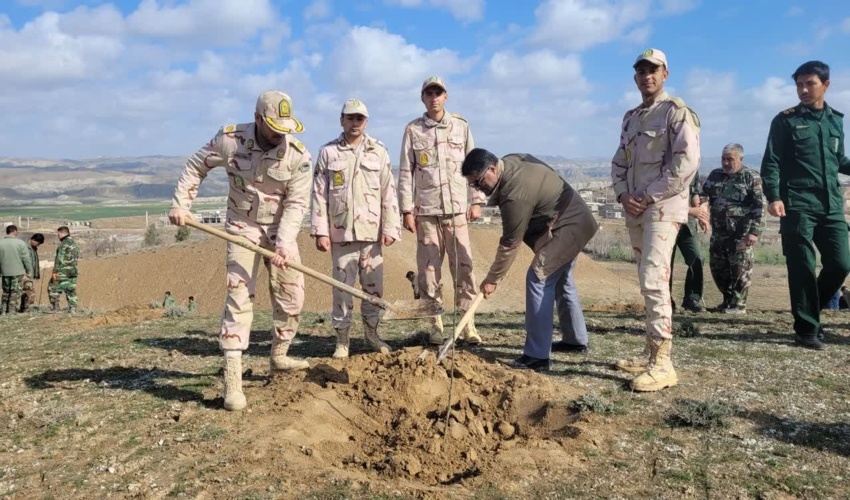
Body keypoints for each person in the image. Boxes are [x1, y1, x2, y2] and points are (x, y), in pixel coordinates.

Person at [169, 90, 313, 411]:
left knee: (293, 296)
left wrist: (286, 241)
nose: (281, 134)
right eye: (275, 127)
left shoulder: (299, 155)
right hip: (241, 225)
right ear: (259, 119)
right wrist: (182, 204)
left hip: (280, 228)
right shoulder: (230, 140)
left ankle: (279, 356)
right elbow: (196, 166)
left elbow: (298, 202)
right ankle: (233, 378)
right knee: (238, 295)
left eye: (286, 128)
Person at [610, 48, 701, 391]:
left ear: (665, 73)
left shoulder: (676, 113)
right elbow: (619, 162)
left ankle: (663, 363)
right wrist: (622, 194)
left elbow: (686, 163)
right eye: (641, 70)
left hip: (662, 209)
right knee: (647, 281)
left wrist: (646, 195)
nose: (646, 75)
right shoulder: (631, 117)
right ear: (635, 77)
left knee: (653, 279)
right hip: (636, 209)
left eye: (653, 70)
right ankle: (652, 355)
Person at [463, 149, 598, 371]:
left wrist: (492, 279)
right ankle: (575, 340)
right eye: (474, 186)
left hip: (570, 225)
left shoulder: (514, 193)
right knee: (562, 279)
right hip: (574, 220)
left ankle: (537, 356)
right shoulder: (511, 161)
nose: (479, 189)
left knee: (538, 278)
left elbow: (510, 244)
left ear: (493, 169)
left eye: (479, 182)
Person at [760, 60, 850, 350]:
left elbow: (839, 160)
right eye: (799, 84)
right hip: (797, 204)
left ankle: (809, 311)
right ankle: (806, 329)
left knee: (840, 264)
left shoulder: (836, 120)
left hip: (831, 204)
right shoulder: (785, 120)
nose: (802, 89)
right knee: (802, 266)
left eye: (809, 83)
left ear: (825, 85)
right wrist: (773, 196)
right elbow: (771, 162)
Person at [310, 99, 402, 358]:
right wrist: (320, 231)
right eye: (350, 118)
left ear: (366, 122)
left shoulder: (379, 151)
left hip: (372, 235)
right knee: (342, 289)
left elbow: (388, 192)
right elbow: (319, 195)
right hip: (342, 234)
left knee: (373, 290)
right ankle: (342, 340)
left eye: (359, 118)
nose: (354, 123)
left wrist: (391, 227)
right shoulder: (328, 153)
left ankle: (372, 335)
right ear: (342, 120)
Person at [398, 76, 484, 345]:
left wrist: (477, 199)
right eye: (429, 93)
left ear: (446, 96)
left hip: (457, 210)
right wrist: (406, 210)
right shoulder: (413, 130)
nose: (434, 97)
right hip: (426, 212)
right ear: (423, 98)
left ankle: (467, 323)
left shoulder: (460, 125)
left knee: (464, 268)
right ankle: (435, 324)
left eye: (438, 92)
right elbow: (405, 172)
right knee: (429, 271)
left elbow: (476, 163)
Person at [701, 143, 765, 314]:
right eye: (723, 159)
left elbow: (759, 206)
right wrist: (701, 207)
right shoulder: (715, 175)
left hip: (741, 233)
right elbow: (703, 194)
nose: (726, 163)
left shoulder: (750, 177)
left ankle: (739, 305)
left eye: (730, 159)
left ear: (740, 159)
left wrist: (754, 232)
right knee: (718, 269)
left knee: (739, 270)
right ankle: (728, 301)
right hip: (719, 233)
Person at [669, 173, 707, 313]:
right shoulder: (661, 162)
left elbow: (694, 193)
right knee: (665, 264)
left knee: (697, 257)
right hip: (666, 222)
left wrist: (701, 216)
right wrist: (692, 211)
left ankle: (692, 298)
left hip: (687, 224)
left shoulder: (691, 165)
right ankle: (665, 300)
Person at [0, 225, 34, 315]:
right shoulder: (20, 243)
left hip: (5, 272)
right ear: (14, 231)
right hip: (17, 272)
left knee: (6, 291)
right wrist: (29, 271)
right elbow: (26, 259)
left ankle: (3, 310)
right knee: (15, 291)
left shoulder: (0, 243)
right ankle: (11, 310)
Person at [48, 226, 79, 313]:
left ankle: (56, 307)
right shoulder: (74, 244)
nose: (58, 236)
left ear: (62, 233)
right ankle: (73, 308)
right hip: (73, 271)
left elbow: (59, 259)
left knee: (52, 288)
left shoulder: (63, 244)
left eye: (58, 234)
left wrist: (54, 271)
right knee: (71, 290)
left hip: (62, 272)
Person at [20, 233, 44, 313]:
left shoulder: (33, 248)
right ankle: (24, 309)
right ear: (33, 239)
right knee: (30, 294)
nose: (38, 245)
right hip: (25, 274)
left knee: (26, 293)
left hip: (29, 274)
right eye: (38, 243)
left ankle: (23, 309)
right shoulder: (25, 248)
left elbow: (34, 262)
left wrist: (36, 274)